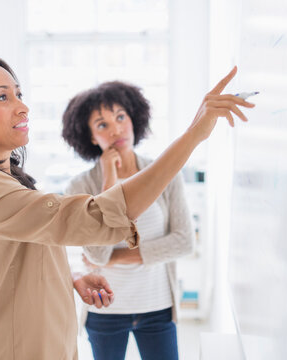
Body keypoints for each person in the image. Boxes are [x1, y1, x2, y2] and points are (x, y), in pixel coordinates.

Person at [0, 51, 254, 360]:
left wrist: (66, 276)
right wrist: (194, 135)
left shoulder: (4, 182)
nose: (22, 107)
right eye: (2, 97)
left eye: (19, 94)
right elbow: (98, 220)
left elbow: (11, 262)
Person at [62, 81, 194, 360]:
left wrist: (115, 257)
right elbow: (97, 253)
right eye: (102, 124)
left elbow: (183, 242)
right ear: (90, 137)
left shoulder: (164, 173)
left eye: (121, 117)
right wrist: (109, 182)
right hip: (105, 312)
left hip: (157, 306)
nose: (116, 129)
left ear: (134, 119)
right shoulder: (79, 186)